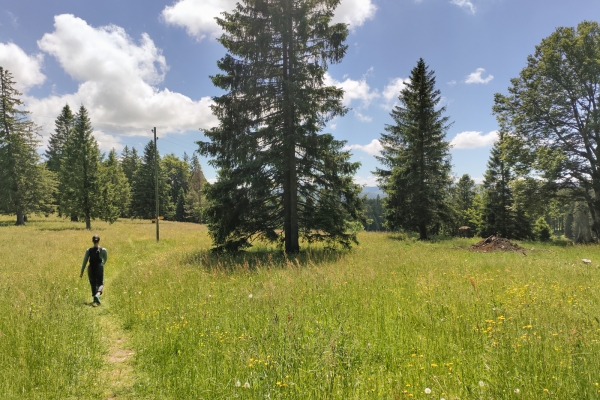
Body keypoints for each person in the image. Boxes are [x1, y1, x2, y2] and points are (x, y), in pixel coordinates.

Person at [80, 235, 108, 306]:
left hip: (91, 268)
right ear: (99, 241)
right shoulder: (103, 250)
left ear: (92, 241)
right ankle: (97, 295)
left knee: (93, 283)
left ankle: (94, 299)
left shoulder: (88, 250)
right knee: (100, 283)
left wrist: (82, 271)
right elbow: (105, 259)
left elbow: (85, 261)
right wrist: (102, 263)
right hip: (99, 267)